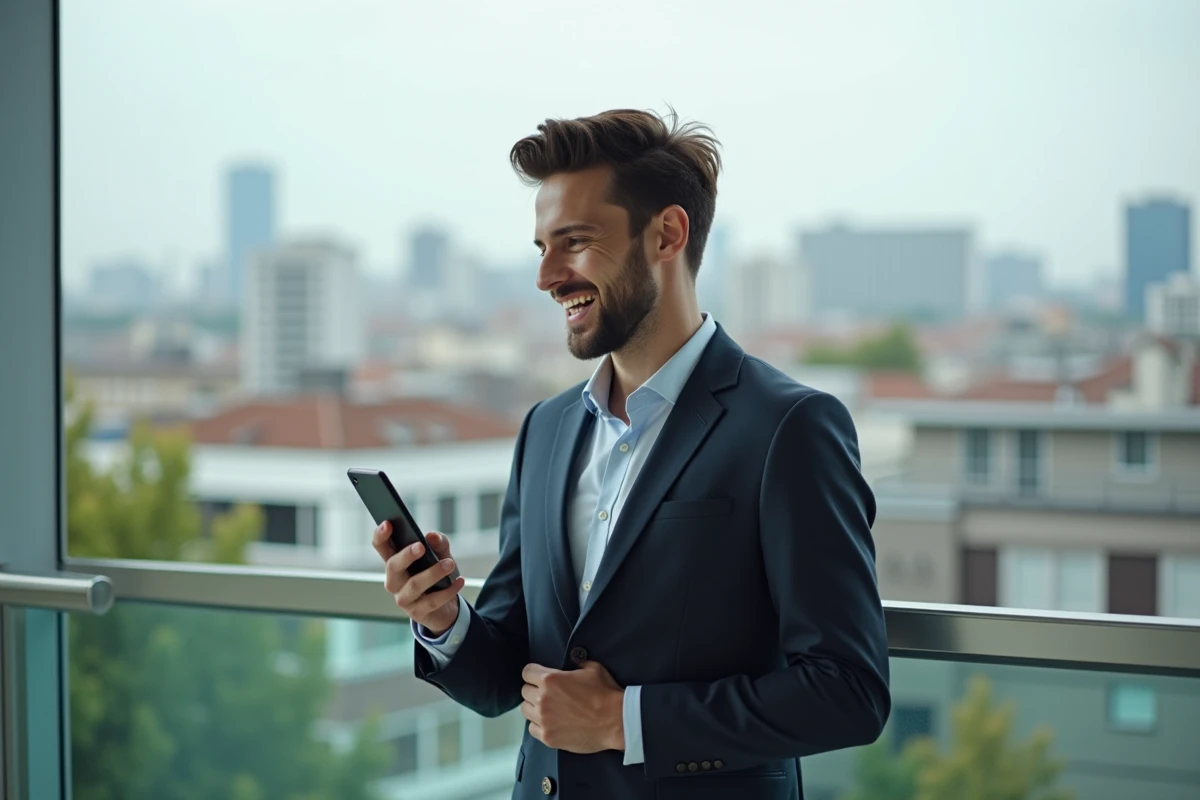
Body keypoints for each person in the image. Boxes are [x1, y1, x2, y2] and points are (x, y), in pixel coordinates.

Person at [373, 108, 890, 799]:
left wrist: (627, 721)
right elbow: (508, 680)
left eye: (575, 242)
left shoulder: (789, 427)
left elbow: (848, 691)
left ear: (667, 234)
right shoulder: (546, 430)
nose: (547, 276)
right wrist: (444, 621)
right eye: (541, 248)